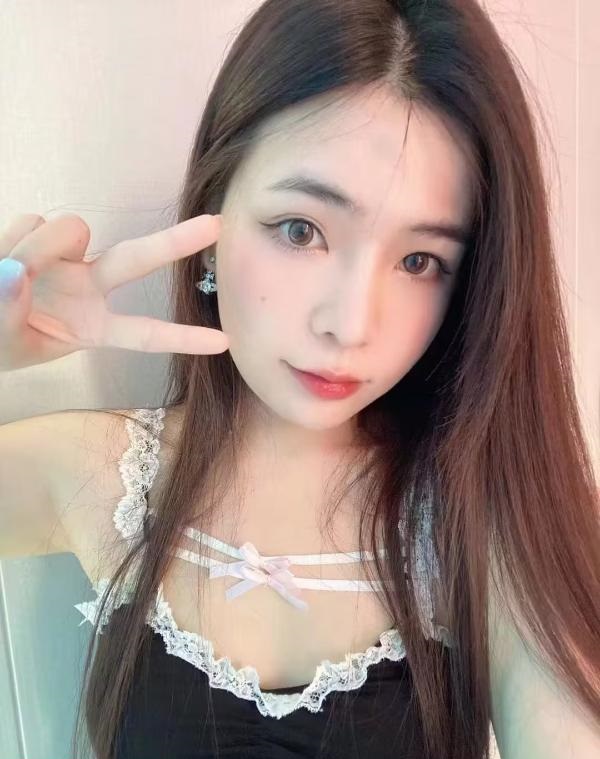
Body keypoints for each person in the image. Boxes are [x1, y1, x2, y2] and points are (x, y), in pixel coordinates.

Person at [0, 0, 599, 758]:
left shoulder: (490, 523)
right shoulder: (103, 476)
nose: (350, 324)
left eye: (419, 261)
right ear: (211, 223)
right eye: (301, 230)